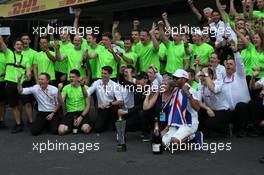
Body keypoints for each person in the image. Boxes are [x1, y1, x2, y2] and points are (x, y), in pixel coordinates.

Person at [161, 69, 200, 146]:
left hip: (189, 123)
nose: (174, 80)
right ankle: (183, 136)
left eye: (177, 78)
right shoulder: (175, 91)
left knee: (174, 141)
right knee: (164, 143)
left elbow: (197, 108)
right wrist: (167, 127)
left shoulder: (191, 90)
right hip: (177, 123)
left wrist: (187, 93)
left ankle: (194, 136)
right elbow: (172, 111)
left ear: (184, 79)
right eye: (174, 78)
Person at [222, 45, 251, 137]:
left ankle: (243, 130)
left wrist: (236, 53)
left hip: (244, 108)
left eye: (231, 64)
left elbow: (240, 63)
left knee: (240, 106)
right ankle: (229, 130)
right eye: (227, 64)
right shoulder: (223, 79)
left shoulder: (240, 75)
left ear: (235, 67)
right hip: (231, 111)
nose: (228, 65)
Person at [5, 39, 31, 133]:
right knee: (14, 105)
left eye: (21, 44)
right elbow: (1, 43)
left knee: (26, 103)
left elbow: (28, 69)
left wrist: (28, 74)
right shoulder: (9, 53)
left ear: (23, 47)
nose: (19, 46)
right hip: (10, 83)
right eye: (17, 44)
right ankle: (19, 124)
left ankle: (30, 122)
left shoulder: (26, 58)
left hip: (21, 84)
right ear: (14, 46)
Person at [87, 66, 124, 133]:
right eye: (102, 73)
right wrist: (82, 86)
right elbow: (87, 93)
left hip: (111, 107)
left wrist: (109, 103)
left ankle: (111, 123)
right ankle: (106, 122)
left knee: (112, 127)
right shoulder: (97, 83)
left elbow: (120, 101)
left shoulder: (115, 85)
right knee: (98, 129)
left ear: (110, 75)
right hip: (102, 108)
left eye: (105, 73)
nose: (103, 75)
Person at [197, 67, 232, 137]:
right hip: (211, 110)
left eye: (203, 76)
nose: (201, 78)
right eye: (200, 76)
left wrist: (206, 74)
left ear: (210, 76)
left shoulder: (219, 83)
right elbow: (198, 101)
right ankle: (204, 134)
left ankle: (226, 129)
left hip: (223, 111)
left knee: (208, 123)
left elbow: (212, 88)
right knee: (199, 111)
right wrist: (207, 108)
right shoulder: (201, 85)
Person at [58, 69, 92, 135]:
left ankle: (81, 125)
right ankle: (72, 126)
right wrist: (59, 91)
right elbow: (61, 102)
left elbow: (88, 105)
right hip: (70, 113)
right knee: (61, 131)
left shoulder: (86, 88)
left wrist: (81, 117)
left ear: (78, 78)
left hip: (82, 113)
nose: (71, 78)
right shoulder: (66, 88)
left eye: (73, 77)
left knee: (86, 129)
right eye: (70, 77)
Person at [0, 35, 7, 129]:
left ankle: (1, 120)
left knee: (1, 103)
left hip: (2, 81)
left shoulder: (7, 55)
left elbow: (10, 68)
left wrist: (2, 73)